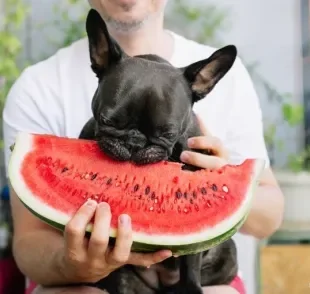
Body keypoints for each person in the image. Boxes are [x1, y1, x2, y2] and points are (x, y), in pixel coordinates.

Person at [2, 1, 284, 293]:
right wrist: (73, 262)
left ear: (201, 88)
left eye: (162, 134)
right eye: (113, 122)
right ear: (98, 57)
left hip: (200, 275)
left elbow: (270, 216)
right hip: (84, 279)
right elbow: (28, 241)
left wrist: (222, 185)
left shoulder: (232, 81)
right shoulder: (37, 86)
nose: (135, 146)